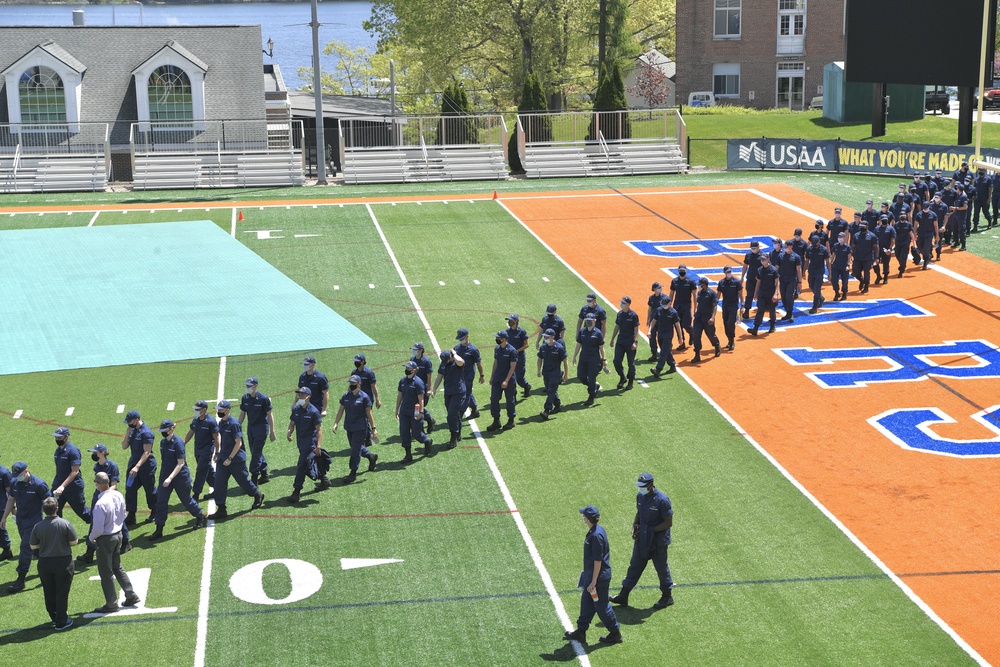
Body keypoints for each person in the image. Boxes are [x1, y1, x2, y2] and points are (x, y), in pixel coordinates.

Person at [610, 473, 674, 610]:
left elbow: (668, 522)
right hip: (643, 539)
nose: (641, 489)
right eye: (639, 486)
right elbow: (639, 513)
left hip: (658, 542)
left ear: (651, 485)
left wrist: (649, 531)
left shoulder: (662, 500)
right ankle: (623, 595)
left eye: (643, 486)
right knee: (634, 566)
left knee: (662, 570)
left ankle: (667, 596)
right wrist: (634, 526)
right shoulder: (640, 496)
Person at [563, 505, 622, 646]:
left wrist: (593, 581)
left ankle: (615, 633)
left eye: (584, 515)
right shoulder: (596, 531)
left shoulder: (595, 535)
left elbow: (598, 561)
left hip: (598, 579)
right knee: (586, 602)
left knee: (601, 606)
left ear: (588, 519)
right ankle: (581, 632)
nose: (583, 517)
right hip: (592, 576)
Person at [88, 472, 139, 614]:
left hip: (105, 539)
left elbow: (98, 527)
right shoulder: (118, 495)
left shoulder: (100, 504)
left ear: (97, 484)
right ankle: (131, 595)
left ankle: (111, 603)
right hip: (118, 535)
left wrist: (91, 537)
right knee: (117, 567)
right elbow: (123, 514)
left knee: (106, 572)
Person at [76, 444, 131, 565]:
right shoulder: (97, 466)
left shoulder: (112, 466)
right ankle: (89, 552)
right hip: (99, 494)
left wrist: (106, 495)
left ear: (101, 453)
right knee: (94, 518)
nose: (93, 455)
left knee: (117, 519)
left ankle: (126, 541)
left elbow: (114, 484)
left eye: (95, 452)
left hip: (110, 495)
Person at [150, 420, 205, 539]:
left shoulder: (178, 443)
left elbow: (180, 463)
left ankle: (200, 516)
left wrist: (170, 478)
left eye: (165, 430)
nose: (163, 433)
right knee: (161, 502)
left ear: (171, 429)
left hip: (180, 477)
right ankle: (159, 529)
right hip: (166, 476)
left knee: (186, 500)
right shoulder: (163, 442)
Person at [210, 400, 265, 517]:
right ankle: (221, 509)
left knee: (244, 482)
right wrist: (218, 452)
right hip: (223, 458)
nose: (219, 411)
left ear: (227, 410)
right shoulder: (221, 423)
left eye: (221, 409)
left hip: (235, 460)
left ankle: (257, 495)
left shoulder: (234, 424)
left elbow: (238, 443)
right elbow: (221, 438)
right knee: (219, 483)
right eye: (218, 409)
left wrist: (230, 458)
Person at [2, 462, 51, 593]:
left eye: (19, 475)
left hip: (34, 523)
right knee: (36, 549)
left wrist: (52, 521)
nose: (17, 477)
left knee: (25, 547)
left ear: (26, 471)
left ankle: (21, 578)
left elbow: (50, 503)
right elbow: (11, 500)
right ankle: (50, 568)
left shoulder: (39, 484)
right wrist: (4, 517)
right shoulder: (15, 483)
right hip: (21, 521)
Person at [29, 496, 77, 630]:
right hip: (63, 562)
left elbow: (33, 546)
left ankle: (54, 616)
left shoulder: (38, 526)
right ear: (57, 508)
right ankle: (62, 621)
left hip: (44, 563)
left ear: (44, 510)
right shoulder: (64, 523)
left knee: (48, 590)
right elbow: (74, 541)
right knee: (62, 591)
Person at [331, 376, 379, 482]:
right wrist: (336, 423)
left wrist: (373, 428)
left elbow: (369, 413)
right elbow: (340, 410)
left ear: (359, 384)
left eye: (353, 383)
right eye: (350, 383)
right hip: (349, 427)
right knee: (355, 447)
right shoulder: (346, 396)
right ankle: (371, 456)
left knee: (355, 450)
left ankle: (353, 473)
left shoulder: (364, 397)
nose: (351, 385)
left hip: (360, 428)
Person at [287, 387, 328, 502]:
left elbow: (319, 430)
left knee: (301, 466)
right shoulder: (296, 409)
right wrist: (289, 432)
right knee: (310, 463)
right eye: (299, 395)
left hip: (310, 444)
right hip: (301, 443)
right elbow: (292, 423)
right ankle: (324, 479)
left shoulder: (314, 412)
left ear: (308, 397)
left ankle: (296, 491)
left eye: (302, 395)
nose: (299, 397)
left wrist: (318, 446)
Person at [121, 409, 157, 527]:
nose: (128, 423)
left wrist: (137, 467)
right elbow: (124, 446)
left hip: (146, 467)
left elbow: (147, 452)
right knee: (130, 489)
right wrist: (127, 433)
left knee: (149, 490)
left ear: (136, 420)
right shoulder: (132, 431)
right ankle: (131, 515)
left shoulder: (146, 433)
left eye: (129, 421)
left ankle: (154, 511)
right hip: (134, 465)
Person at [239, 377, 275, 486]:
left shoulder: (263, 399)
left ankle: (254, 478)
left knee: (256, 453)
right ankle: (264, 474)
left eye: (249, 386)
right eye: (246, 386)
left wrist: (272, 431)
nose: (247, 388)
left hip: (261, 428)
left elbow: (270, 415)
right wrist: (236, 425)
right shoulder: (245, 398)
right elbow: (242, 414)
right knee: (255, 451)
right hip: (251, 428)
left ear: (255, 386)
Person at [51, 427, 91, 525]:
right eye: (56, 437)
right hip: (59, 486)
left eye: (60, 438)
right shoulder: (58, 450)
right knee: (54, 511)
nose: (57, 440)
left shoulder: (73, 451)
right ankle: (59, 533)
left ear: (66, 437)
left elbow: (75, 471)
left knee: (82, 511)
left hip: (73, 488)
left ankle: (101, 527)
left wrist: (62, 486)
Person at [184, 400, 220, 502]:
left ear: (204, 410)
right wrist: (183, 443)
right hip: (198, 449)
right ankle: (218, 488)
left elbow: (216, 437)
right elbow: (191, 432)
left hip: (206, 450)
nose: (195, 411)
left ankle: (196, 493)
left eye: (197, 409)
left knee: (200, 470)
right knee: (207, 470)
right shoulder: (196, 420)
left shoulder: (211, 422)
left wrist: (217, 452)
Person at [396, 361, 434, 458]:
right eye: (406, 368)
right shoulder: (402, 381)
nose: (407, 370)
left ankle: (427, 441)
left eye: (409, 368)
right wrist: (397, 409)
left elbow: (421, 399)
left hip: (415, 411)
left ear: (414, 370)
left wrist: (421, 412)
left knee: (416, 434)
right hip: (404, 411)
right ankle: (408, 455)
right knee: (404, 432)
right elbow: (400, 395)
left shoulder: (418, 383)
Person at [430, 350, 466, 449]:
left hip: (458, 392)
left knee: (451, 415)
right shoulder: (444, 363)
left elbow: (460, 361)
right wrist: (434, 389)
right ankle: (458, 434)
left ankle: (453, 437)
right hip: (448, 392)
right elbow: (439, 376)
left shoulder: (457, 362)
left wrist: (454, 354)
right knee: (455, 414)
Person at [486, 331, 518, 432]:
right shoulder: (497, 349)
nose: (497, 339)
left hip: (508, 380)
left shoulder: (512, 351)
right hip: (497, 378)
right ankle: (496, 421)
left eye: (499, 338)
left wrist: (507, 380)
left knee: (510, 400)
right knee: (494, 399)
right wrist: (492, 377)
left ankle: (511, 420)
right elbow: (495, 363)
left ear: (504, 339)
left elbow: (512, 367)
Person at [573, 312, 607, 407]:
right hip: (583, 358)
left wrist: (604, 360)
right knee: (581, 376)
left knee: (592, 378)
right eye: (587, 320)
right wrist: (574, 356)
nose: (588, 322)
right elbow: (578, 344)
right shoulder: (582, 331)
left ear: (594, 321)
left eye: (590, 320)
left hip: (594, 360)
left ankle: (591, 396)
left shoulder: (598, 333)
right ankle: (594, 387)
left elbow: (601, 347)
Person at [536, 328, 569, 419]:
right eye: (545, 336)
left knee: (551, 391)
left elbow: (565, 361)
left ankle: (546, 410)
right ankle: (557, 405)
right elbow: (540, 358)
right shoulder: (543, 347)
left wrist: (566, 374)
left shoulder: (559, 348)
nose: (545, 338)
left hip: (555, 374)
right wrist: (538, 370)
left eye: (547, 336)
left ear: (552, 337)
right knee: (549, 390)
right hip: (546, 373)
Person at [351, 354, 381, 449]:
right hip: (356, 400)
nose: (356, 362)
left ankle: (367, 438)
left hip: (367, 400)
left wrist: (377, 399)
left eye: (357, 360)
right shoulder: (354, 373)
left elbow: (374, 386)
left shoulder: (369, 373)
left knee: (365, 419)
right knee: (362, 419)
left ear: (363, 361)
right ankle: (367, 438)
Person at [454, 328, 485, 419]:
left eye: (462, 338)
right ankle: (475, 410)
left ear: (467, 337)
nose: (460, 340)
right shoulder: (457, 348)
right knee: (468, 392)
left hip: (468, 375)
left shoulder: (473, 350)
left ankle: (460, 414)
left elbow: (478, 363)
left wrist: (481, 375)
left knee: (465, 395)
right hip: (459, 375)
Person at [610, 296, 639, 389]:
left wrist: (635, 342)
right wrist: (612, 339)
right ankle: (622, 377)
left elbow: (636, 329)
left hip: (630, 342)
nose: (622, 304)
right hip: (620, 341)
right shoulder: (619, 314)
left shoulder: (633, 315)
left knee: (631, 363)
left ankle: (630, 382)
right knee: (616, 361)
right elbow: (617, 326)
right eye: (621, 302)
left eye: (624, 303)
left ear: (628, 304)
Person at [691, 277, 721, 362]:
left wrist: (712, 317)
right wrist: (696, 311)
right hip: (698, 317)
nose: (699, 286)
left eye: (701, 284)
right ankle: (697, 355)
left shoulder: (712, 293)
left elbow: (715, 306)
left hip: (707, 318)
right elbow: (698, 303)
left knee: (710, 334)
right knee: (696, 335)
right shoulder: (699, 292)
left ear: (705, 285)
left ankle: (716, 345)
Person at [650, 295, 681, 376]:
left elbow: (677, 325)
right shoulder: (659, 310)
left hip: (668, 335)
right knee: (666, 351)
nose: (663, 306)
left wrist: (680, 337)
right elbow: (654, 321)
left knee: (663, 353)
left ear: (670, 303)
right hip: (660, 334)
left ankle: (658, 369)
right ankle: (672, 365)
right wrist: (650, 330)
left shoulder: (673, 312)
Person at [410, 342, 437, 433]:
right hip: (414, 388)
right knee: (416, 407)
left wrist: (429, 389)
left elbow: (429, 376)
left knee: (419, 407)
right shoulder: (412, 360)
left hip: (423, 388)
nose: (413, 351)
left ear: (421, 350)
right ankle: (430, 420)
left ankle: (422, 427)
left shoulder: (426, 361)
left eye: (415, 349)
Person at [749, 253, 779, 335]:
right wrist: (755, 293)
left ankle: (772, 326)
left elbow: (777, 282)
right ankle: (755, 328)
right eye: (761, 259)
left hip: (771, 293)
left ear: (768, 259)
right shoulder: (759, 270)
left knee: (772, 310)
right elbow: (758, 282)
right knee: (760, 310)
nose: (763, 261)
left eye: (764, 259)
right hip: (762, 294)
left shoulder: (773, 270)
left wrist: (776, 294)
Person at [669, 265, 697, 351]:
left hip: (686, 305)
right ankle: (682, 343)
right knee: (678, 325)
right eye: (680, 270)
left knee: (686, 324)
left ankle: (692, 334)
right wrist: (669, 305)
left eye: (683, 270)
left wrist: (695, 307)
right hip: (677, 306)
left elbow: (694, 295)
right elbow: (671, 293)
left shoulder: (690, 282)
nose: (682, 271)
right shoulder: (674, 281)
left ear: (686, 270)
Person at [503, 315, 532, 398]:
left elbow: (526, 344)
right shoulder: (507, 332)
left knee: (519, 378)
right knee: (511, 377)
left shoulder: (521, 332)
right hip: (510, 358)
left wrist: (516, 351)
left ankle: (526, 386)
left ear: (516, 321)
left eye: (511, 320)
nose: (509, 322)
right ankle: (513, 395)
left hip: (519, 358)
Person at [716, 266, 742, 350]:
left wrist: (743, 306)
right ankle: (729, 340)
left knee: (731, 323)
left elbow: (741, 294)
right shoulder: (721, 282)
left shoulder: (736, 282)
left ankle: (732, 341)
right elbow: (718, 294)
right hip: (725, 306)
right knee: (725, 324)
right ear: (724, 273)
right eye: (727, 272)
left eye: (730, 272)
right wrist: (714, 303)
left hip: (733, 306)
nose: (729, 273)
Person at [776, 240, 803, 322]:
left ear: (791, 247)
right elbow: (776, 268)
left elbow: (799, 270)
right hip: (782, 280)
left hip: (791, 280)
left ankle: (790, 313)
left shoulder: (796, 257)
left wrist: (800, 282)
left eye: (787, 246)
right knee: (783, 297)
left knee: (789, 296)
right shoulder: (780, 256)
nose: (785, 248)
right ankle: (787, 312)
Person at [804, 234, 830, 314]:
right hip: (811, 271)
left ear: (819, 241)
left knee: (817, 288)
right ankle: (820, 298)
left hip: (819, 271)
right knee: (811, 286)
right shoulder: (809, 249)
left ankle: (815, 306)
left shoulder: (824, 250)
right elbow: (807, 261)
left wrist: (829, 272)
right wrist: (804, 271)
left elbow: (827, 262)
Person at [851, 222, 878, 294]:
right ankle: (861, 280)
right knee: (855, 271)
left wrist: (876, 258)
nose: (861, 228)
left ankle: (866, 286)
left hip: (868, 258)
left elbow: (876, 247)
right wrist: (851, 254)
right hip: (857, 257)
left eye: (863, 226)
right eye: (861, 226)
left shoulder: (872, 236)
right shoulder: (856, 235)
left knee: (866, 272)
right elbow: (853, 245)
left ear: (867, 226)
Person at [914, 200, 940, 270]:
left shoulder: (933, 215)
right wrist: (914, 234)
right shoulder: (919, 214)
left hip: (929, 234)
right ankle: (927, 255)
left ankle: (925, 263)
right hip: (920, 234)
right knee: (919, 246)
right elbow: (916, 225)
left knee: (926, 248)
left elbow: (936, 225)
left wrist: (937, 235)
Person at [741, 241, 763, 319]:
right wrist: (742, 277)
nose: (753, 250)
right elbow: (745, 266)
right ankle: (747, 311)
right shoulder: (748, 255)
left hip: (759, 279)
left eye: (754, 248)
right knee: (749, 294)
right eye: (752, 248)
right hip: (750, 278)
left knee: (760, 295)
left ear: (758, 247)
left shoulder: (762, 256)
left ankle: (759, 311)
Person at [873, 215, 896, 285]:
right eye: (883, 220)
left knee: (886, 263)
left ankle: (885, 277)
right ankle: (878, 276)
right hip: (878, 248)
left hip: (886, 249)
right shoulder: (876, 229)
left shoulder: (891, 229)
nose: (884, 221)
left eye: (885, 220)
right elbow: (874, 239)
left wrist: (890, 248)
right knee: (875, 263)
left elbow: (893, 239)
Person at [829, 232, 853, 301]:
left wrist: (848, 265)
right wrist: (830, 264)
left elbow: (849, 258)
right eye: (839, 237)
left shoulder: (847, 247)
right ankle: (836, 293)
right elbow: (833, 255)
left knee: (844, 281)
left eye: (841, 237)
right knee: (834, 280)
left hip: (844, 266)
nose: (840, 238)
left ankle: (844, 294)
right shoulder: (835, 245)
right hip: (836, 266)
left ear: (844, 238)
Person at [927, 193, 950, 262]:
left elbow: (946, 216)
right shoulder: (931, 205)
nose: (936, 199)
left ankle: (938, 255)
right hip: (931, 225)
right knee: (929, 240)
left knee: (938, 241)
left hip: (939, 226)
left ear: (941, 197)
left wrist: (944, 226)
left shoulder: (944, 206)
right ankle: (930, 253)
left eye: (937, 197)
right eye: (935, 197)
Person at [893, 211, 916, 277]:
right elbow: (894, 234)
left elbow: (911, 233)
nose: (903, 217)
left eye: (904, 216)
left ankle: (901, 270)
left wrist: (914, 243)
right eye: (902, 216)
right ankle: (902, 264)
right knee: (897, 255)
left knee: (903, 256)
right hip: (898, 243)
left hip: (905, 243)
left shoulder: (908, 224)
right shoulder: (896, 225)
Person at [645, 283, 663, 360]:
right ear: (654, 289)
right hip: (653, 320)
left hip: (662, 321)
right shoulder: (651, 298)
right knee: (651, 337)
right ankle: (654, 354)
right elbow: (650, 309)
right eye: (659, 287)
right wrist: (648, 319)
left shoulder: (664, 298)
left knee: (661, 337)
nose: (660, 289)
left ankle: (663, 353)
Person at [950, 182, 969, 250]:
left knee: (961, 230)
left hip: (961, 216)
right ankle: (956, 242)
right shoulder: (958, 195)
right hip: (956, 215)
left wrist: (956, 208)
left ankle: (963, 245)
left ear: (959, 189)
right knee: (955, 228)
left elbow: (965, 207)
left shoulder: (963, 196)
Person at [0, 462, 12, 560]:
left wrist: (13, 507)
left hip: (1, 506)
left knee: (1, 528)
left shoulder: (4, 473)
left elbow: (10, 491)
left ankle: (7, 550)